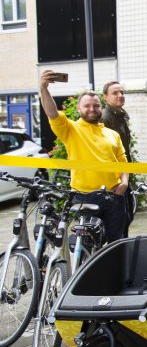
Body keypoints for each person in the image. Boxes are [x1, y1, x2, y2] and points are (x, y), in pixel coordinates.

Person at [39, 71, 128, 242]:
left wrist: (124, 183)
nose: (92, 109)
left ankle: (114, 269)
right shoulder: (70, 129)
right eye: (87, 106)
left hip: (114, 196)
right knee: (85, 245)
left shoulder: (111, 134)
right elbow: (52, 113)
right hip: (84, 197)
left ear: (101, 107)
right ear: (79, 108)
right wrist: (43, 88)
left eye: (96, 105)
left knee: (116, 244)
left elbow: (123, 162)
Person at [101, 80, 135, 237]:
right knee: (118, 223)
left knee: (125, 219)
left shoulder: (120, 116)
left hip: (123, 176)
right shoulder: (105, 117)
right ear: (105, 97)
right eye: (115, 93)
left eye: (122, 92)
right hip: (114, 182)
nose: (120, 95)